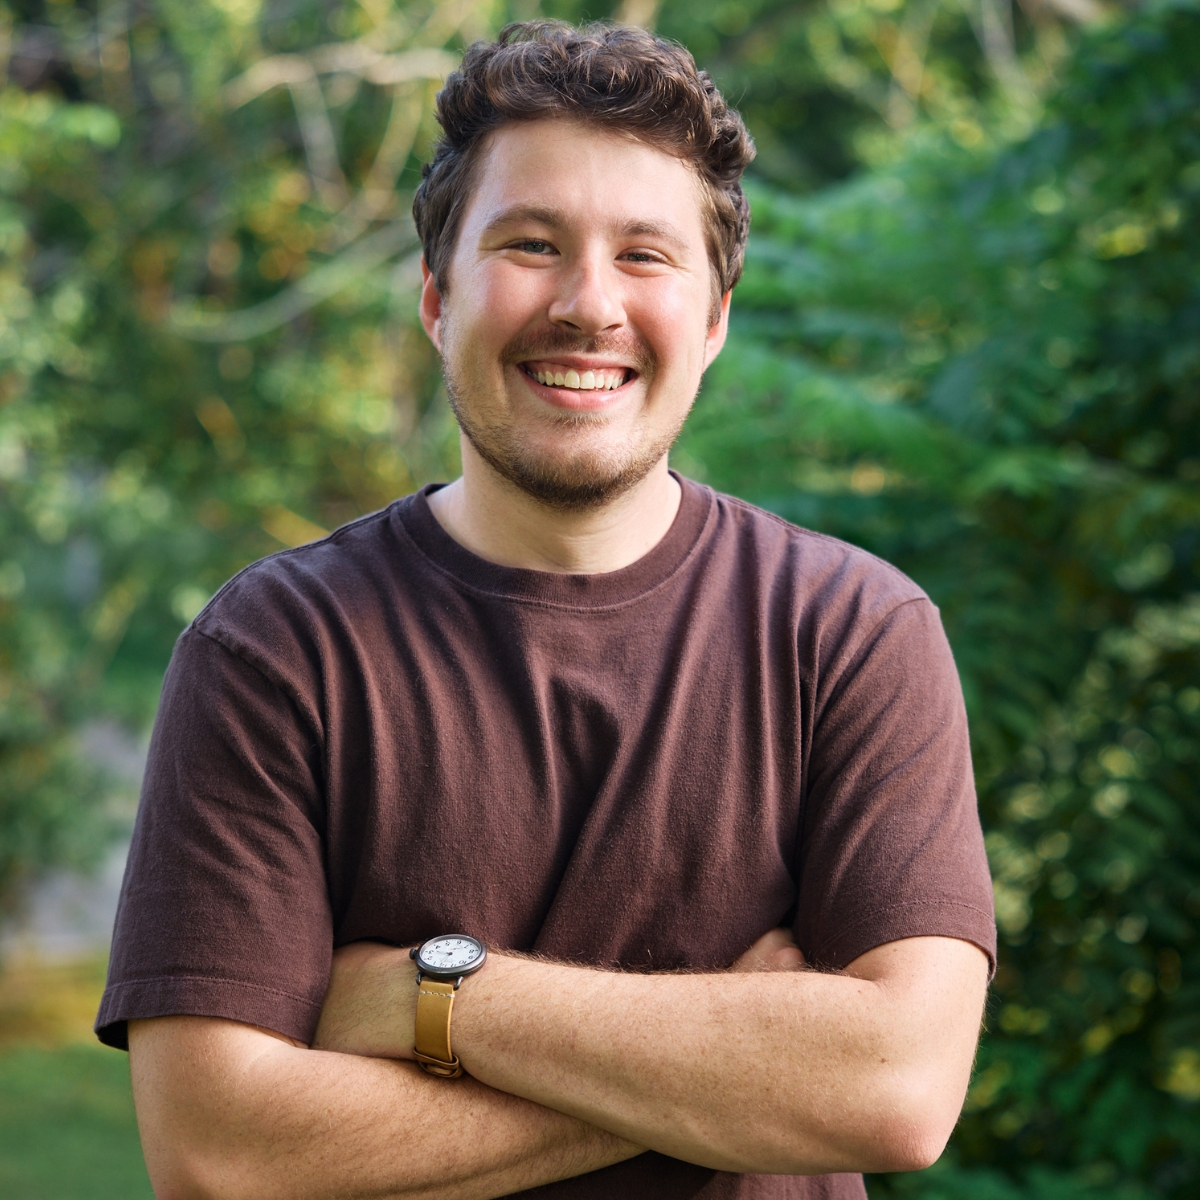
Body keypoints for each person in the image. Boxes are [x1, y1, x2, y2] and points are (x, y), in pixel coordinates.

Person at [97, 21, 995, 1200]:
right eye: (531, 244)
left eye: (645, 255)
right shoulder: (275, 649)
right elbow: (217, 1152)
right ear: (437, 298)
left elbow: (895, 1089)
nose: (588, 305)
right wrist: (733, 1067)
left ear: (715, 320)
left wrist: (435, 997)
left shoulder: (850, 633)